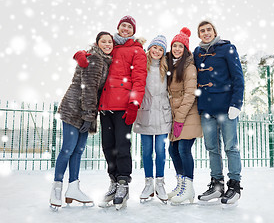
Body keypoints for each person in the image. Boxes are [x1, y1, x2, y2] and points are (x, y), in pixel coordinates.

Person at [74, 15, 147, 209]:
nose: (125, 29)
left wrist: (134, 103)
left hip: (124, 106)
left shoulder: (137, 51)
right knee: (108, 147)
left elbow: (139, 79)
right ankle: (113, 181)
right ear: (118, 27)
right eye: (123, 25)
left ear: (133, 30)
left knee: (122, 147)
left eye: (129, 27)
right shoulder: (110, 46)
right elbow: (93, 52)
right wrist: (81, 54)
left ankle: (123, 183)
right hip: (105, 106)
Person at [49, 32, 113, 210]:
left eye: (110, 42)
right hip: (74, 109)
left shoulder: (103, 60)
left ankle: (73, 188)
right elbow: (89, 88)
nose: (107, 44)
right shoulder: (95, 59)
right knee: (68, 149)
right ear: (97, 43)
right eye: (104, 41)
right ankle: (56, 188)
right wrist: (88, 114)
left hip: (85, 110)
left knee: (78, 151)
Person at [193, 20, 244, 205]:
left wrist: (236, 103)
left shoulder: (227, 48)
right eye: (202, 31)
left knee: (230, 147)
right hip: (206, 109)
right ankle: (216, 185)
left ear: (214, 32)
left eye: (209, 30)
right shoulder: (197, 52)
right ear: (199, 35)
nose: (206, 33)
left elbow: (238, 77)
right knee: (212, 148)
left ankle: (234, 186)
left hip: (226, 107)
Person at [132, 35, 172, 203]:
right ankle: (148, 184)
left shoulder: (166, 68)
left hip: (163, 114)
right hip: (146, 113)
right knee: (147, 152)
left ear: (163, 53)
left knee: (161, 152)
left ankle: (160, 183)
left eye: (160, 49)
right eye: (154, 47)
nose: (156, 51)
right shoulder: (142, 65)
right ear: (149, 49)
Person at [166, 27, 203, 204]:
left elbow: (190, 94)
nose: (177, 49)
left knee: (183, 149)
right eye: (175, 45)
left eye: (181, 46)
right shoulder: (171, 65)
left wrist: (179, 118)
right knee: (172, 150)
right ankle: (181, 185)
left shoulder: (189, 67)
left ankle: (188, 188)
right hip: (177, 115)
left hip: (189, 114)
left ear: (186, 49)